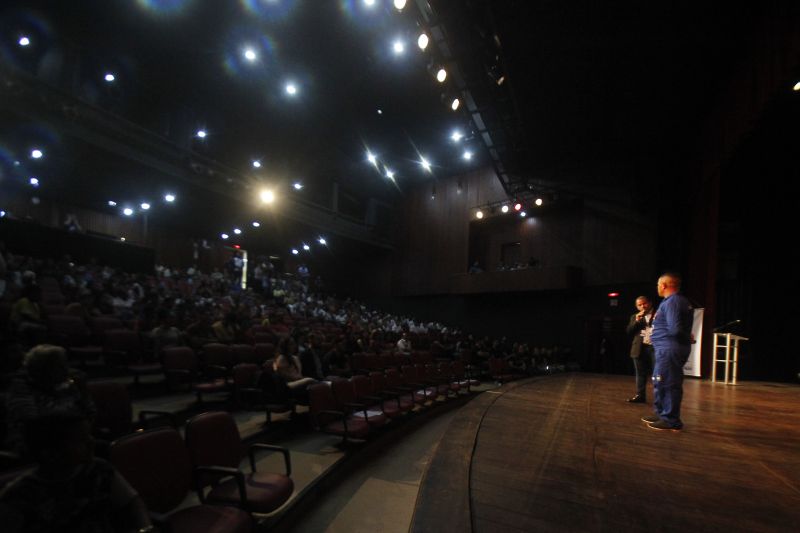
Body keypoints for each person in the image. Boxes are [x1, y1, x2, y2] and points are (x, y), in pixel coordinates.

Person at [0, 413, 153, 532]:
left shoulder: (99, 469)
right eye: (80, 440)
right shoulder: (18, 497)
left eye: (89, 435)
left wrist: (145, 528)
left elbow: (132, 502)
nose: (91, 442)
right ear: (50, 453)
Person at [643, 273, 693, 431]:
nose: (657, 287)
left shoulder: (674, 301)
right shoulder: (671, 302)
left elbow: (675, 329)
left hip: (669, 348)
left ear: (664, 285)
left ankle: (671, 420)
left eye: (658, 284)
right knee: (660, 381)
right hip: (665, 348)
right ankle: (661, 414)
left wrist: (686, 337)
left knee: (669, 383)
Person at [625, 296, 655, 403]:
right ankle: (640, 395)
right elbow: (629, 332)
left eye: (644, 303)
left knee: (657, 373)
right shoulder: (635, 316)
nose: (643, 306)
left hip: (654, 348)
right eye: (640, 305)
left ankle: (659, 397)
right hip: (639, 348)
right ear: (637, 306)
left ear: (650, 303)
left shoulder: (659, 314)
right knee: (640, 373)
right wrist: (636, 321)